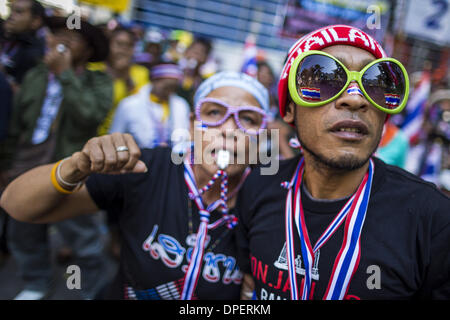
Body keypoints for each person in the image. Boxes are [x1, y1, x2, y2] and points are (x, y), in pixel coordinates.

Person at [0, 71, 270, 300]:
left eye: (248, 119)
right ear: (192, 125)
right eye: (213, 113)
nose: (228, 129)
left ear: (262, 137)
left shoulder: (272, 199)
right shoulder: (146, 168)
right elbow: (17, 205)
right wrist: (75, 166)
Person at [235, 25, 450, 300]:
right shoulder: (258, 187)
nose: (355, 98)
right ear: (289, 109)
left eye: (375, 84)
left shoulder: (435, 221)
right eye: (323, 80)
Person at [0, 16, 113, 300]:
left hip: (71, 171)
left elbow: (89, 116)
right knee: (23, 232)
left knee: (83, 239)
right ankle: (36, 283)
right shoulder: (36, 75)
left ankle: (89, 289)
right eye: (57, 34)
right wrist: (6, 164)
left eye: (72, 38)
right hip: (26, 165)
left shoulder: (99, 81)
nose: (62, 41)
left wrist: (65, 75)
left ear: (87, 51)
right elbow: (17, 125)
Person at [110, 62, 190, 149]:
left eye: (173, 87)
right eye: (166, 87)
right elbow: (115, 137)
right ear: (154, 81)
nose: (169, 92)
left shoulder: (181, 105)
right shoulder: (129, 105)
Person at [90, 27, 150, 136]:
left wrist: (126, 76)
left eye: (129, 46)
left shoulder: (141, 73)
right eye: (119, 44)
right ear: (108, 45)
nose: (123, 50)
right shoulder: (94, 69)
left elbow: (141, 107)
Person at [0, 0, 46, 88]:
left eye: (18, 12)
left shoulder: (34, 54)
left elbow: (21, 95)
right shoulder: (7, 37)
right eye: (11, 10)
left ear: (35, 21)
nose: (11, 16)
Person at [177, 36, 213, 108]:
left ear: (206, 58)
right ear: (186, 52)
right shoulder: (174, 73)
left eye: (200, 52)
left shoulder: (205, 84)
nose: (195, 55)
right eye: (193, 50)